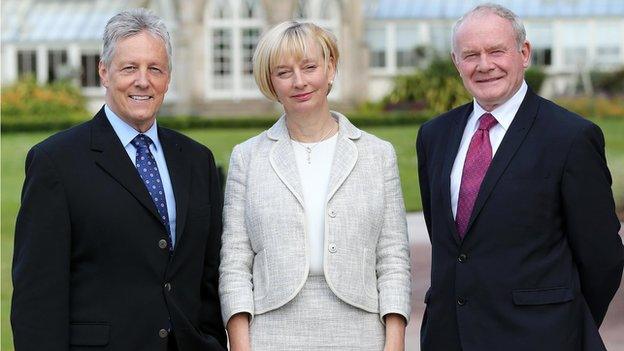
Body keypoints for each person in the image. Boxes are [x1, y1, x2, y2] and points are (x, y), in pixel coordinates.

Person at [11, 8, 226, 351]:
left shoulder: (197, 160)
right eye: (129, 68)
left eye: (154, 68)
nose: (143, 80)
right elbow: (37, 297)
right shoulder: (56, 162)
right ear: (104, 72)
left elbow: (209, 276)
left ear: (167, 78)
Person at [416, 3, 624, 351]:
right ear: (456, 62)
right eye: (470, 55)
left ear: (524, 53)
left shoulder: (570, 137)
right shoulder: (435, 135)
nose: (484, 65)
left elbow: (602, 256)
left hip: (542, 338)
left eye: (496, 51)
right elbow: (448, 242)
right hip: (450, 337)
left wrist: (563, 323)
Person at [218, 21, 411, 350]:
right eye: (283, 72)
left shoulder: (377, 155)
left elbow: (393, 258)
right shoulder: (247, 158)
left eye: (309, 67)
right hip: (272, 334)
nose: (299, 82)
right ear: (271, 83)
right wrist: (240, 346)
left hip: (361, 332)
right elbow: (235, 262)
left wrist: (394, 343)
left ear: (330, 68)